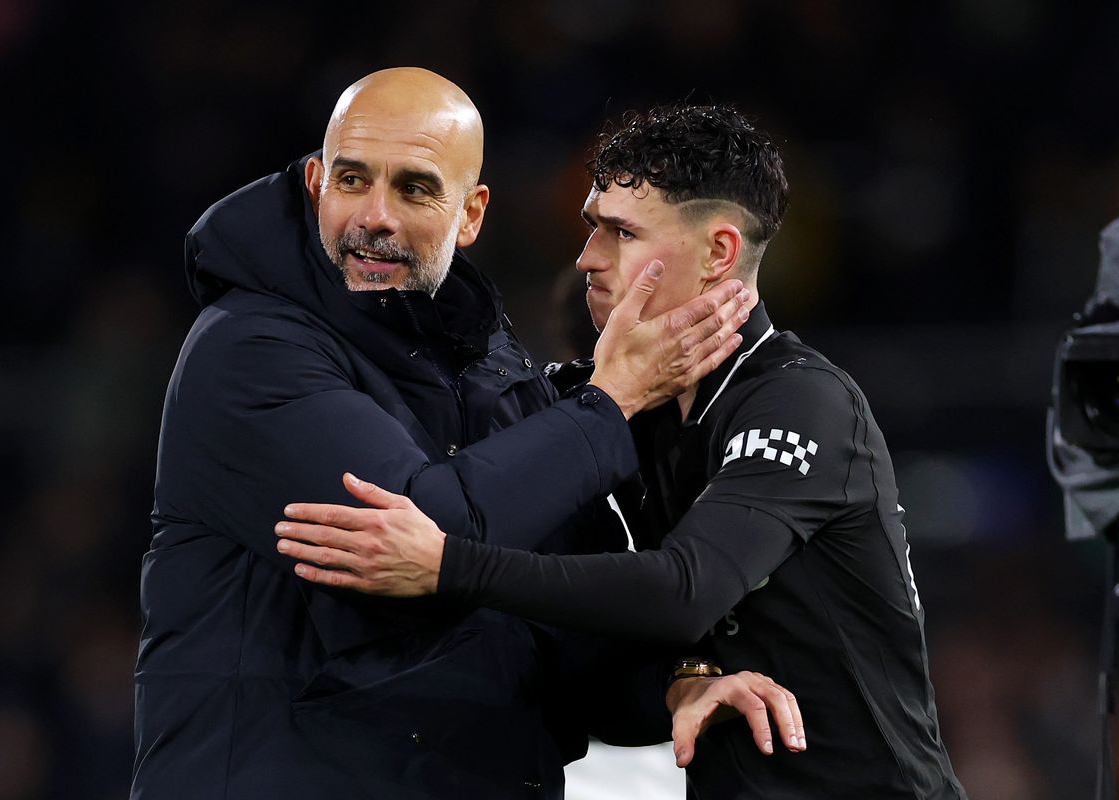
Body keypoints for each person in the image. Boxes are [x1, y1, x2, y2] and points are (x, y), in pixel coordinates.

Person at [133, 68, 795, 800]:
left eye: (414, 188)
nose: (374, 216)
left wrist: (676, 685)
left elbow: (556, 618)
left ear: (471, 213)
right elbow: (424, 543)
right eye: (353, 180)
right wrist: (613, 398)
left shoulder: (489, 366)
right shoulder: (251, 349)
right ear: (317, 182)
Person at [277, 103, 967, 798]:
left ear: (719, 253)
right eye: (591, 227)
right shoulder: (615, 410)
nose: (586, 257)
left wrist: (445, 565)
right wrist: (682, 679)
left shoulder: (802, 402)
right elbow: (585, 652)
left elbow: (683, 592)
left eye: (620, 232)